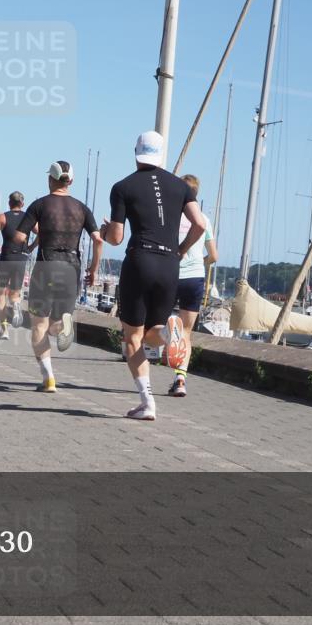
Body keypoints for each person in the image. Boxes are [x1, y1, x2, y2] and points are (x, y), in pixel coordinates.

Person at [101, 131, 207, 421]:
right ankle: (168, 334)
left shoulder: (122, 187)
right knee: (153, 333)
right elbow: (199, 224)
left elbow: (116, 238)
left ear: (136, 152)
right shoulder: (181, 187)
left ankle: (147, 403)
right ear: (162, 154)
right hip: (169, 263)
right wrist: (181, 250)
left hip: (140, 260)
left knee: (133, 337)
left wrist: (104, 231)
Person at [14, 161, 102, 392]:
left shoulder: (40, 205)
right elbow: (98, 239)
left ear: (50, 179)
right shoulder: (82, 208)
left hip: (47, 265)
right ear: (70, 181)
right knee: (56, 323)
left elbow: (19, 236)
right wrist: (93, 268)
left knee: (38, 325)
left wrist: (25, 244)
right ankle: (65, 325)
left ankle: (48, 378)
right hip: (72, 267)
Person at [170, 174, 218, 396]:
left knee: (156, 323)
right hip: (195, 278)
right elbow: (214, 256)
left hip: (171, 275)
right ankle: (180, 380)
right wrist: (199, 263)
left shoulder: (171, 215)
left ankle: (168, 334)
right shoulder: (204, 219)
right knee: (187, 332)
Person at [0, 191, 36, 339]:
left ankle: (4, 330)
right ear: (22, 204)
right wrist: (31, 247)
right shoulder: (28, 218)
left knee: (1, 294)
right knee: (15, 293)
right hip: (21, 259)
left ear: (9, 203)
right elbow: (41, 233)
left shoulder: (3, 217)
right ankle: (16, 305)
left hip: (6, 258)